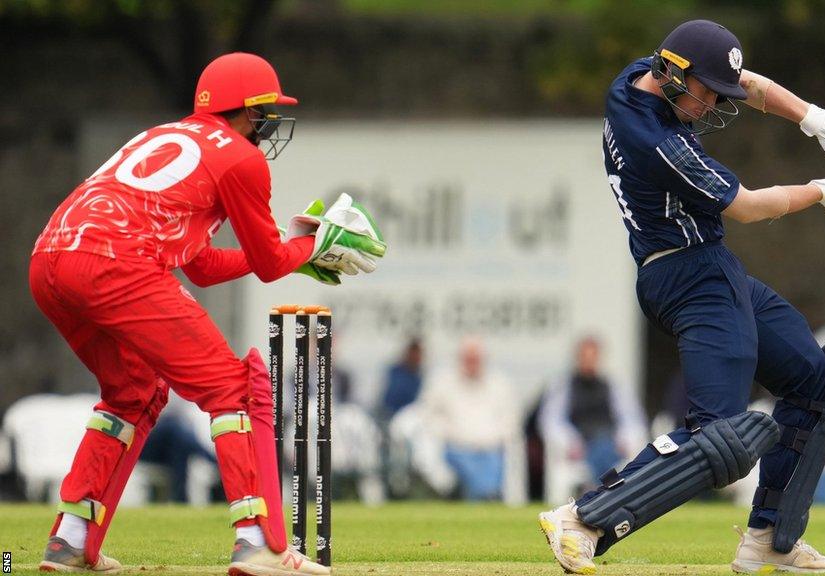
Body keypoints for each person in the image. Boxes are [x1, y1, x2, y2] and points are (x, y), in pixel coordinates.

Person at [538, 20, 825, 574]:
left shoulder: (638, 77)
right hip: (687, 276)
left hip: (712, 270)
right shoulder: (656, 141)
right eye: (708, 94)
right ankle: (584, 518)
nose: (715, 104)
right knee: (721, 432)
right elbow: (747, 207)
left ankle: (771, 537)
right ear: (673, 75)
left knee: (822, 382)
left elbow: (750, 84)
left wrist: (817, 119)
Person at [29, 52, 385, 574]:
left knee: (135, 389)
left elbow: (200, 266)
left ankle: (70, 538)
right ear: (243, 109)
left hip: (50, 259)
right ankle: (256, 543)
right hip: (115, 262)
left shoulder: (167, 135)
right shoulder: (241, 159)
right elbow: (268, 265)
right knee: (235, 388)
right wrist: (313, 247)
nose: (267, 126)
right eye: (263, 112)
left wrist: (295, 252)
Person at [539, 337, 646, 486]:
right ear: (577, 358)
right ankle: (603, 492)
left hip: (611, 442)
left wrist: (625, 441)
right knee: (602, 452)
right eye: (584, 357)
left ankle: (594, 491)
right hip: (580, 444)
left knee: (604, 448)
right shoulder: (563, 386)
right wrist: (570, 443)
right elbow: (551, 420)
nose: (588, 363)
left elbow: (631, 418)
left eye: (592, 357)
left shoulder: (613, 385)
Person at [420, 337, 517, 500]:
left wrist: (493, 437)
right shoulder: (442, 382)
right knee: (472, 472)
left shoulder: (500, 384)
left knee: (489, 466)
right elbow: (427, 415)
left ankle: (483, 496)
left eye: (476, 359)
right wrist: (447, 432)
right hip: (454, 449)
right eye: (468, 358)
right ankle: (483, 497)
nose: (472, 363)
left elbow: (511, 420)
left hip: (490, 450)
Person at [380, 338, 424, 421]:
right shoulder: (395, 374)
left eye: (418, 355)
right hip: (392, 416)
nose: (417, 358)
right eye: (414, 354)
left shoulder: (419, 378)